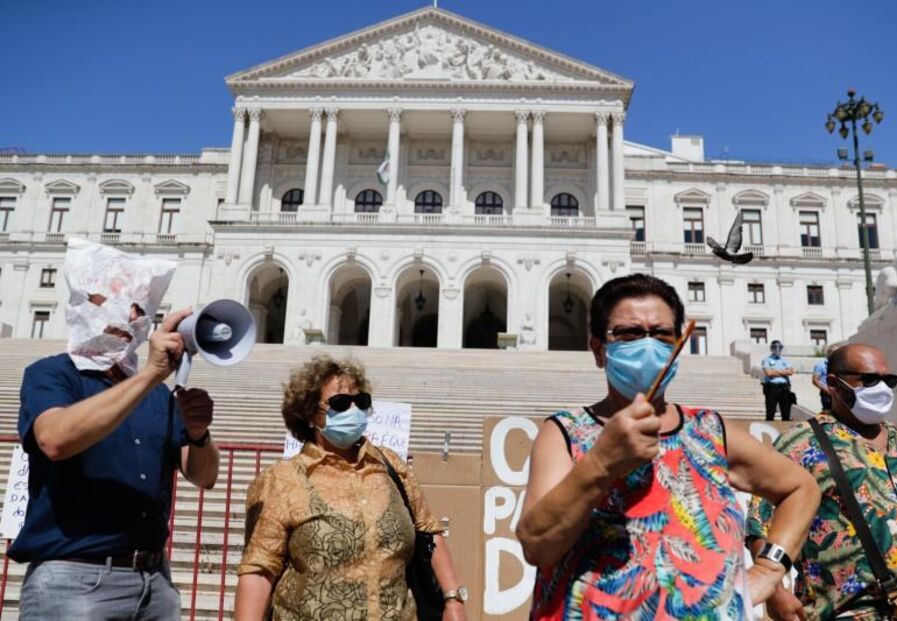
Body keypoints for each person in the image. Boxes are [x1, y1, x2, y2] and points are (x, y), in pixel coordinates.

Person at [516, 274, 820, 620]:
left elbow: (801, 487)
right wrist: (600, 464)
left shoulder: (709, 431)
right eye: (630, 333)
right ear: (599, 350)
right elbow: (536, 543)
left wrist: (769, 569)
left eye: (662, 335)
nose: (648, 345)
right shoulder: (566, 433)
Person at [11, 239, 220, 620]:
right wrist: (151, 375)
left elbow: (203, 476)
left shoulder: (158, 397)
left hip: (153, 581)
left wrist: (198, 433)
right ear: (81, 304)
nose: (127, 317)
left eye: (139, 309)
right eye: (107, 301)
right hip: (73, 578)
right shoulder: (52, 374)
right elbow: (55, 440)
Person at [234, 355, 468, 621]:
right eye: (341, 403)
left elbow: (429, 531)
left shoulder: (391, 465)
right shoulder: (283, 480)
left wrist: (453, 600)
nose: (354, 410)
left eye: (362, 402)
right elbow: (259, 569)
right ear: (310, 413)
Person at [747, 344, 897, 620]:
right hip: (849, 611)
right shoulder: (801, 444)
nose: (881, 388)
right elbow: (760, 522)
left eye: (887, 380)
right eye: (869, 380)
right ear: (834, 384)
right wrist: (775, 590)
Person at [762, 339, 795, 421]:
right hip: (772, 387)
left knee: (786, 412)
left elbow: (790, 371)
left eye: (779, 347)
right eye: (775, 347)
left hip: (784, 387)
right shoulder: (767, 360)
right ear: (771, 349)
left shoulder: (785, 360)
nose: (777, 349)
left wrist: (775, 371)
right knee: (770, 411)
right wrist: (784, 372)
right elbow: (768, 373)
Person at [812, 343, 841, 412]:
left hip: (839, 394)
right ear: (829, 353)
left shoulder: (840, 364)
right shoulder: (820, 365)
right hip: (827, 394)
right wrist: (827, 390)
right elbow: (815, 380)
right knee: (827, 413)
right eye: (835, 352)